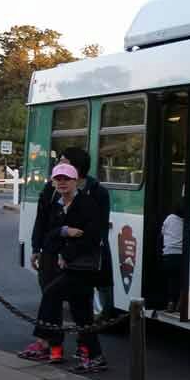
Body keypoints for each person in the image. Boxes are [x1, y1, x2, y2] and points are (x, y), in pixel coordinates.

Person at [21, 147, 112, 360]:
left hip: (80, 259)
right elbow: (42, 222)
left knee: (79, 303)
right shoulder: (51, 190)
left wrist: (70, 251)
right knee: (52, 296)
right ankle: (53, 345)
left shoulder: (97, 192)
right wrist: (37, 248)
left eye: (65, 162)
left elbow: (95, 232)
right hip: (53, 254)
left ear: (77, 169)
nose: (59, 168)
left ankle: (86, 348)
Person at [161, 200, 186, 312]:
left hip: (168, 255)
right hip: (181, 256)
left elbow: (163, 232)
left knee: (171, 280)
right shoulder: (187, 222)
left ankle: (170, 302)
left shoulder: (169, 218)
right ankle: (180, 304)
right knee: (182, 281)